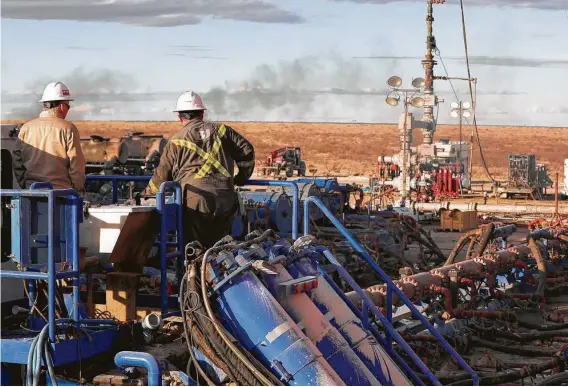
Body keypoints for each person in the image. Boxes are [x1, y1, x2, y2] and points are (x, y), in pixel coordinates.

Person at [144, 91, 255, 248]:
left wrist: (147, 193)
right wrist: (241, 178)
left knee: (193, 249)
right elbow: (247, 150)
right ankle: (219, 270)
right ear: (202, 113)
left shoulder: (175, 141)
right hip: (225, 197)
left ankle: (194, 271)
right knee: (221, 248)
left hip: (194, 200)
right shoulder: (223, 130)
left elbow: (161, 176)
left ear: (179, 117)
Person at [13, 81, 86, 193]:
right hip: (62, 195)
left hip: (31, 194)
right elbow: (76, 165)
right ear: (62, 106)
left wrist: (26, 185)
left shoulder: (25, 129)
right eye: (68, 106)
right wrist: (76, 189)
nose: (68, 110)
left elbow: (17, 162)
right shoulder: (68, 128)